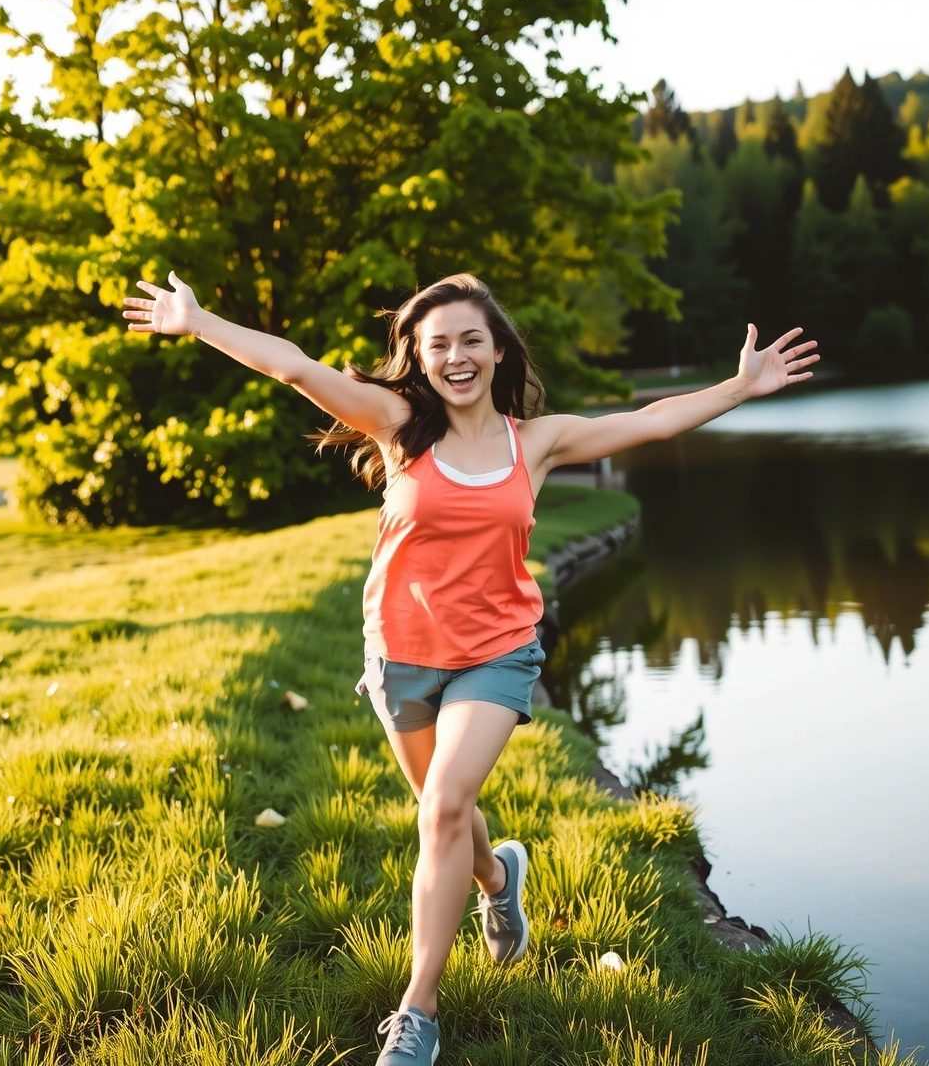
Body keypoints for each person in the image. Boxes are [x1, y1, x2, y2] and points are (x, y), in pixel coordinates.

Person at [124, 272, 817, 1066]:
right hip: (400, 653)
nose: (455, 356)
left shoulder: (538, 442)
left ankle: (417, 1013)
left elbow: (650, 422)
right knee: (444, 814)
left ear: (497, 352)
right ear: (419, 358)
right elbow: (295, 367)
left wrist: (739, 386)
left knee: (445, 806)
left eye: (470, 340)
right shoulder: (399, 426)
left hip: (497, 651)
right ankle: (498, 876)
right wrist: (201, 321)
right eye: (438, 344)